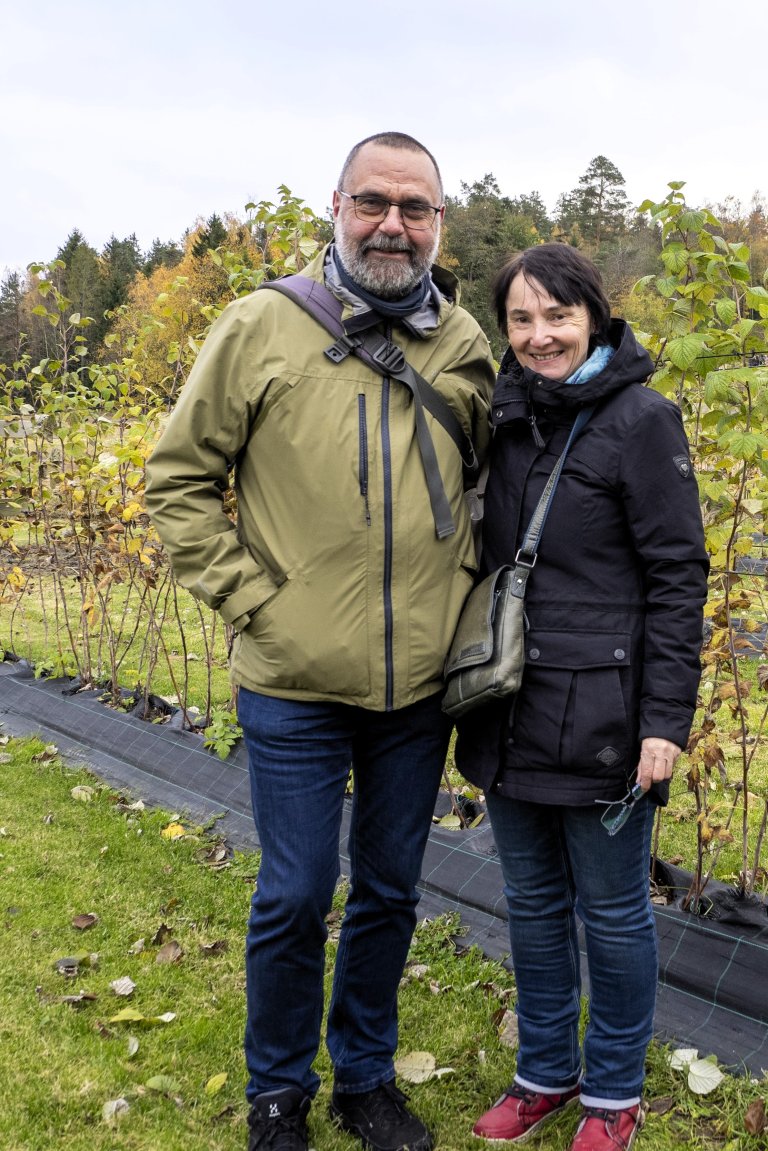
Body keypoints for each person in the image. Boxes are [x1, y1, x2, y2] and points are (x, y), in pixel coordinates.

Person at [144, 131, 494, 1151]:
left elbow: (493, 483)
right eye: (374, 202)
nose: (394, 223)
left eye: (415, 207)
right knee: (295, 891)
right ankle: (277, 1090)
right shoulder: (259, 326)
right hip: (294, 678)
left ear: (440, 222)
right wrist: (254, 598)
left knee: (390, 889)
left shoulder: (466, 341)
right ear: (337, 207)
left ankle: (367, 1079)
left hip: (419, 688)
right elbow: (177, 480)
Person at [455, 244, 709, 1151]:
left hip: (604, 716)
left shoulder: (642, 421)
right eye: (520, 319)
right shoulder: (505, 412)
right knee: (530, 902)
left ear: (593, 317)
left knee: (611, 911)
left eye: (556, 316)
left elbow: (680, 577)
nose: (539, 335)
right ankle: (544, 1073)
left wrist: (664, 723)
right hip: (508, 703)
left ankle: (612, 1091)